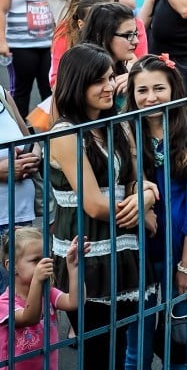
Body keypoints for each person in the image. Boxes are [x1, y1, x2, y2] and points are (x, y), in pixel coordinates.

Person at [50, 44, 158, 368]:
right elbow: (94, 205)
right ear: (77, 84)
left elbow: (137, 181)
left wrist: (147, 197)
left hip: (123, 250)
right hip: (86, 254)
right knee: (97, 355)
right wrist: (141, 209)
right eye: (98, 80)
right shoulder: (65, 132)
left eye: (111, 77)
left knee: (121, 348)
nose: (109, 86)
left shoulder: (119, 124)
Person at [124, 55, 187, 370]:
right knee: (137, 343)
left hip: (182, 246)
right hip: (139, 248)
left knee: (179, 338)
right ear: (131, 94)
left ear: (173, 88)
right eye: (141, 90)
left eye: (159, 88)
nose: (151, 97)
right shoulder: (124, 132)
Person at [0, 228, 87, 370]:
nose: (44, 264)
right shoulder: (4, 304)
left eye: (46, 258)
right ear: (11, 267)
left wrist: (74, 267)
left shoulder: (47, 293)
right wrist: (37, 280)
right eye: (36, 260)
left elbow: (75, 302)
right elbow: (30, 318)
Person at [49, 0, 144, 87]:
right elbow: (57, 82)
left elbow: (143, 68)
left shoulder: (134, 24)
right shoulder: (67, 28)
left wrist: (134, 76)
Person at [0, 0, 54, 117]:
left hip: (47, 45)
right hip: (20, 47)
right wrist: (2, 42)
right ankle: (20, 139)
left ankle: (53, 134)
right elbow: (1, 10)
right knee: (21, 93)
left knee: (50, 91)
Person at [0, 84, 40, 295]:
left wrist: (33, 156)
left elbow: (31, 141)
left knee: (23, 305)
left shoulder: (1, 93)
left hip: (20, 219)